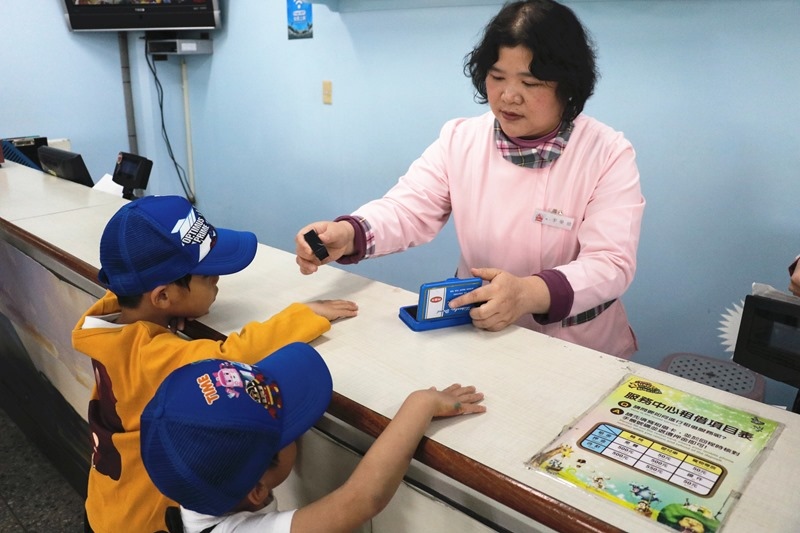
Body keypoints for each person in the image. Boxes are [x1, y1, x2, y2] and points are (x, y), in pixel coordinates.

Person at [295, 0, 644, 359]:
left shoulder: (606, 152)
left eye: (531, 82)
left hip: (577, 344)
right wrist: (350, 234)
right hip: (480, 329)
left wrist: (528, 293)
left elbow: (610, 262)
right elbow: (408, 208)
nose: (509, 95)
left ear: (568, 86)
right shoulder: (461, 139)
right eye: (497, 77)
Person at [72, 195, 358, 533]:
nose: (218, 279)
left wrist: (163, 318)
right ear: (162, 296)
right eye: (207, 276)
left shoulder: (110, 322)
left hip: (107, 504)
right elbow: (229, 361)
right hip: (143, 520)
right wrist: (303, 316)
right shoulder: (156, 358)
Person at [140, 342, 486, 532]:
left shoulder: (199, 478)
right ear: (258, 489)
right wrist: (420, 404)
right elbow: (363, 499)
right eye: (292, 429)